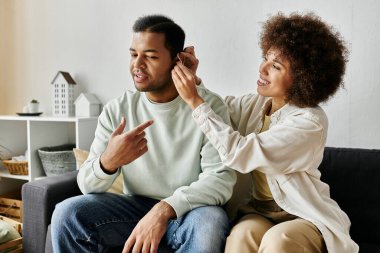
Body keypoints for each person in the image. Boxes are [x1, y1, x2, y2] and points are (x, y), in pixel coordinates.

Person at [172, 12, 359, 253]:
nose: (262, 68)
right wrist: (194, 81)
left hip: (302, 215)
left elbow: (239, 153)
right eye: (265, 58)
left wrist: (195, 101)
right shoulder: (255, 105)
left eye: (276, 66)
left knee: (279, 240)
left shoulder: (310, 122)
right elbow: (217, 113)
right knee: (240, 236)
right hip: (259, 212)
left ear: (302, 78)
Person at [50, 14, 236, 253]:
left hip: (192, 209)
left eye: (150, 56)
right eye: (133, 54)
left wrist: (164, 209)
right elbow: (86, 184)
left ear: (176, 60)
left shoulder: (207, 107)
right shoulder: (118, 110)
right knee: (67, 213)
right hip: (133, 207)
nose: (137, 65)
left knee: (208, 225)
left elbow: (220, 180)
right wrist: (108, 162)